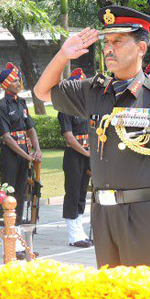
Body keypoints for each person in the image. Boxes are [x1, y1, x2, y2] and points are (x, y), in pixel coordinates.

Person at [33, 5, 150, 274]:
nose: (108, 48)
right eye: (106, 41)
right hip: (104, 215)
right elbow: (42, 91)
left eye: (118, 41)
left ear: (141, 48)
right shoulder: (94, 91)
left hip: (147, 215)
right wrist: (63, 54)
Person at [0, 63, 42, 244]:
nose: (18, 82)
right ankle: (8, 235)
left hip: (24, 154)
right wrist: (27, 155)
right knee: (8, 193)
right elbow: (7, 137)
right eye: (13, 80)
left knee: (21, 193)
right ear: (5, 84)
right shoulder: (2, 107)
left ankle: (18, 236)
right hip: (10, 156)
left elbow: (31, 129)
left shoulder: (21, 103)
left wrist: (37, 150)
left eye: (18, 79)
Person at [58, 68, 92, 248]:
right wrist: (86, 152)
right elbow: (69, 137)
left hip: (88, 154)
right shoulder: (65, 109)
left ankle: (80, 229)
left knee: (82, 192)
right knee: (72, 192)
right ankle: (73, 234)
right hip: (74, 155)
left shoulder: (86, 107)